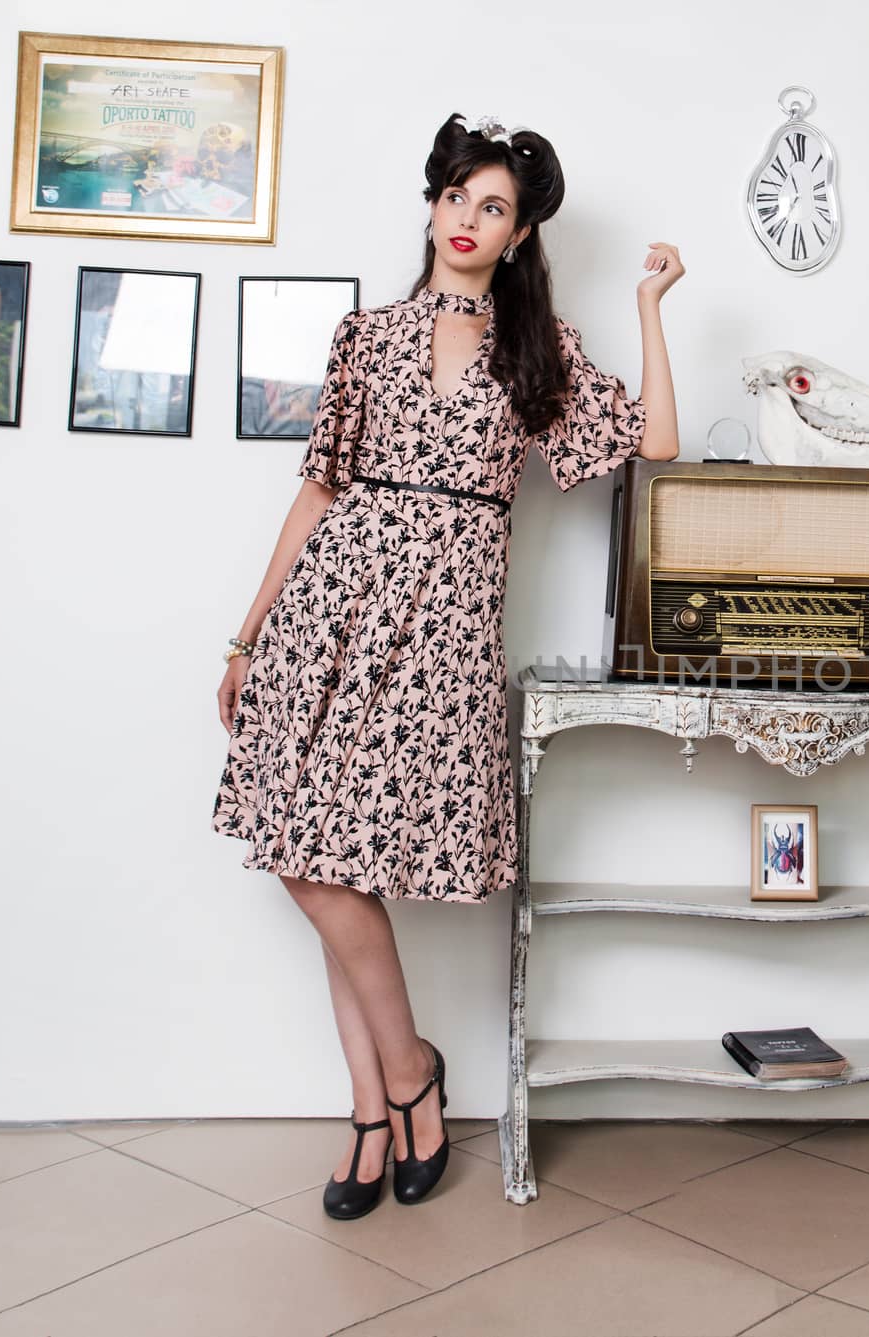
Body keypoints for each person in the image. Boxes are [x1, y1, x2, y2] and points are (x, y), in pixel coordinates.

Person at [210, 112, 682, 1220]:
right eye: (457, 198)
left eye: (494, 208)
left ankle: (382, 1104)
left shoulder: (537, 351)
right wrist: (247, 634)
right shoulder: (365, 335)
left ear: (518, 234)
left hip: (440, 635)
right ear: (431, 204)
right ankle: (395, 1086)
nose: (468, 221)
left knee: (341, 862)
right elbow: (320, 486)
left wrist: (652, 311)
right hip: (329, 612)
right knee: (309, 850)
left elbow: (651, 442)